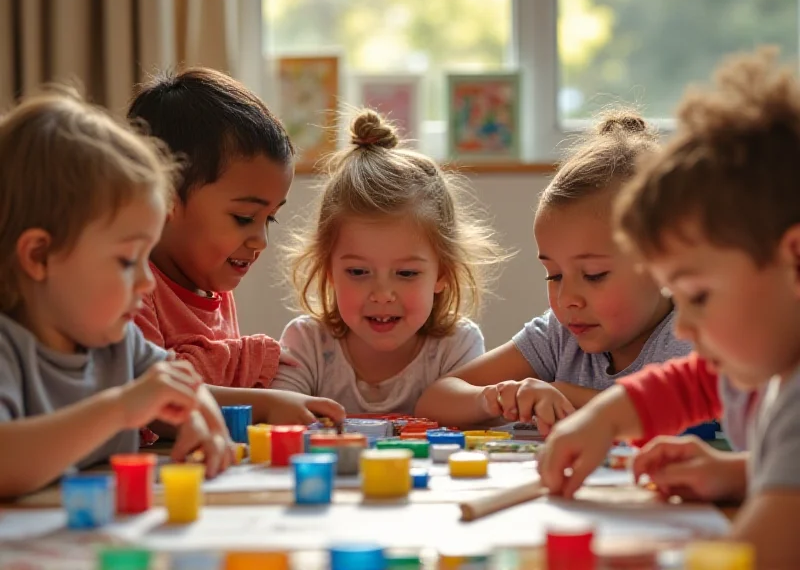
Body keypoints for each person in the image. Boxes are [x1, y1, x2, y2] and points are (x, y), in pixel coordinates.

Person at [537, 48, 800, 569]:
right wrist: (740, 472)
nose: (683, 324)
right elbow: (693, 383)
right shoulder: (766, 363)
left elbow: (752, 557)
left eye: (699, 296)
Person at [0, 89, 233, 498]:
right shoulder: (7, 349)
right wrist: (120, 408)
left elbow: (183, 386)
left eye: (148, 256)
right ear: (39, 256)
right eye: (127, 261)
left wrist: (197, 419)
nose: (147, 282)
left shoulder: (119, 343)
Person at [416, 111, 690, 430]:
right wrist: (501, 398)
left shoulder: (692, 335)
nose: (567, 298)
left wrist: (565, 394)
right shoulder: (560, 336)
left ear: (661, 262)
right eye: (554, 275)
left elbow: (679, 417)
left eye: (593, 275)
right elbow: (434, 401)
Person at [128, 68, 344, 425]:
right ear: (164, 195)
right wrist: (267, 405)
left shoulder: (211, 284)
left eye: (269, 219)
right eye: (244, 217)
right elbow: (151, 400)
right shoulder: (135, 286)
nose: (260, 240)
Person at [272, 109, 507, 415]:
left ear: (443, 273)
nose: (382, 294)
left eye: (406, 273)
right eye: (358, 271)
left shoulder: (456, 346)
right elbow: (278, 422)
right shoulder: (308, 343)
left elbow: (476, 423)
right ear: (328, 270)